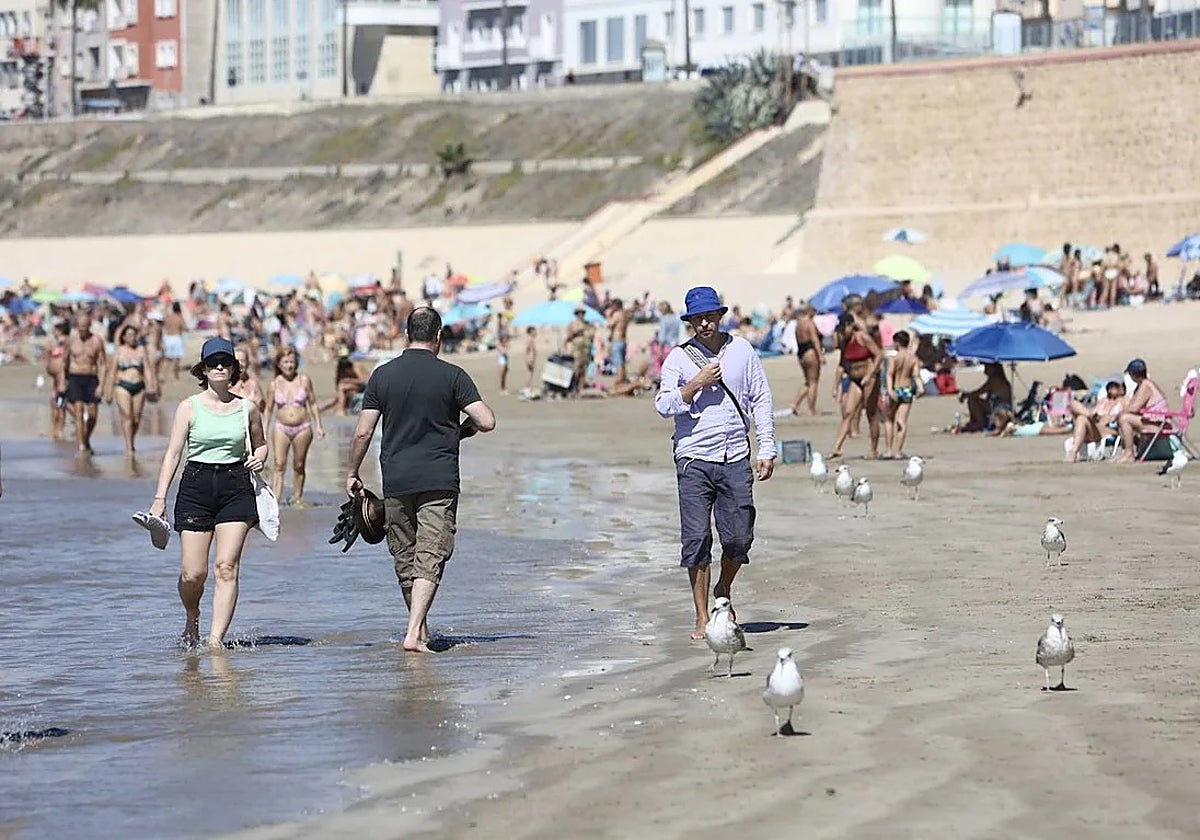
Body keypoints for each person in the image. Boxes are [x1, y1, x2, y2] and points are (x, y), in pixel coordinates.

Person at [346, 307, 496, 653]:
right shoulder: (453, 375)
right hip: (439, 478)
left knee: (405, 555)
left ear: (405, 335)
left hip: (396, 478)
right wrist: (464, 430)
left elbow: (363, 432)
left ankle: (420, 628)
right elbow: (486, 420)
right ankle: (414, 633)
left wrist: (352, 473)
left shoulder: (382, 376)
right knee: (431, 552)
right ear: (439, 337)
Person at [654, 286, 776, 642]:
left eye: (710, 316)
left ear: (721, 316)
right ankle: (702, 615)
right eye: (698, 318)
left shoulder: (742, 351)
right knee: (696, 539)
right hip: (693, 457)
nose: (705, 323)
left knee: (739, 537)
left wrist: (766, 448)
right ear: (690, 321)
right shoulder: (678, 358)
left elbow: (761, 398)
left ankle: (723, 587)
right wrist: (696, 384)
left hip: (736, 454)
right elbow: (663, 405)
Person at [148, 337, 268, 650]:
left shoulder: (247, 408)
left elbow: (261, 442)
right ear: (203, 368)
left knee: (226, 567)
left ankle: (215, 642)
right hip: (195, 487)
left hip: (235, 487)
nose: (218, 367)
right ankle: (192, 616)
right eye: (212, 362)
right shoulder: (188, 407)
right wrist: (160, 499)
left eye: (224, 362)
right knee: (193, 573)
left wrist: (261, 456)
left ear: (233, 369)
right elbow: (173, 454)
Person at [266, 346, 325, 506]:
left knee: (299, 464)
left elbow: (312, 404)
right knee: (279, 464)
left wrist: (319, 425)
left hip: (303, 427)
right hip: (281, 427)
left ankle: (297, 497)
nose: (289, 365)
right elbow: (268, 409)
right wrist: (264, 430)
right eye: (285, 362)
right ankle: (275, 499)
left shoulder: (304, 380)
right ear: (279, 364)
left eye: (292, 361)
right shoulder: (274, 384)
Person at [828, 302, 883, 459]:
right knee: (848, 412)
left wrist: (869, 375)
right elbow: (841, 365)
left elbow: (879, 355)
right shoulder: (844, 342)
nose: (842, 332)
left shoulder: (862, 337)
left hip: (870, 378)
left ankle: (873, 450)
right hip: (855, 379)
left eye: (844, 328)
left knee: (871, 414)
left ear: (851, 326)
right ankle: (836, 447)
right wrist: (835, 386)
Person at [105, 325, 159, 457]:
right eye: (129, 335)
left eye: (134, 335)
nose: (132, 337)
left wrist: (151, 385)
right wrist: (108, 391)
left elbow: (147, 369)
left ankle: (131, 439)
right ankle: (129, 447)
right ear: (123, 337)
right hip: (122, 386)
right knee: (127, 416)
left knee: (136, 418)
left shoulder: (141, 350)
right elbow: (112, 372)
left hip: (139, 386)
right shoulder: (119, 351)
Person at [65, 313, 107, 455]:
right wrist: (64, 381)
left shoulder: (96, 341)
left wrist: (101, 385)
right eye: (79, 328)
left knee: (93, 415)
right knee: (78, 414)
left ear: (89, 326)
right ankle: (81, 446)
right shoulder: (72, 340)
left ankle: (86, 437)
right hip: (75, 377)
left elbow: (102, 364)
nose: (81, 331)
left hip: (91, 378)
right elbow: (65, 361)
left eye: (84, 328)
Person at [1115, 358, 1170, 463]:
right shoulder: (1143, 385)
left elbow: (1135, 408)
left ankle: (1129, 453)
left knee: (1125, 419)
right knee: (1123, 417)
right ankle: (1127, 452)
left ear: (1133, 374)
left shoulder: (1146, 385)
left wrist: (1119, 413)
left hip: (1158, 424)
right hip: (1155, 421)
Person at [1064, 380, 1127, 461]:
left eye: (1115, 386)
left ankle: (1073, 453)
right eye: (1110, 386)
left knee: (1081, 419)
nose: (1112, 388)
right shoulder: (1103, 401)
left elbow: (1123, 418)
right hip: (1094, 426)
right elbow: (1095, 412)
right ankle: (1088, 414)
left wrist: (1111, 418)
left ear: (1122, 388)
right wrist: (1096, 417)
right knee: (1073, 403)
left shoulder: (1125, 401)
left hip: (1106, 431)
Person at [884, 330, 921, 458]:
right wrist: (920, 388)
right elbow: (916, 375)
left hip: (896, 387)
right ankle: (898, 452)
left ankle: (889, 450)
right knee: (902, 421)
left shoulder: (894, 358)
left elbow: (889, 374)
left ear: (896, 343)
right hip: (907, 389)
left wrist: (889, 390)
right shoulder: (913, 359)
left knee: (889, 419)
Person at [788, 303, 824, 416]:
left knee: (808, 382)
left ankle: (795, 404)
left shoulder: (798, 324)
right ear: (810, 311)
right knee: (813, 382)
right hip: (810, 352)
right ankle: (811, 409)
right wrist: (821, 355)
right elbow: (814, 340)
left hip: (801, 353)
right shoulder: (809, 323)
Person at [957, 362, 1013, 432]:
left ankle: (981, 423)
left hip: (1001, 410)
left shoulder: (995, 380)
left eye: (987, 367)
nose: (985, 370)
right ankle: (977, 421)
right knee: (975, 400)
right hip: (1001, 407)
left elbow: (978, 392)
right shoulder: (1000, 379)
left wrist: (965, 395)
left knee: (972, 400)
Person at [45, 321, 70, 441]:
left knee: (61, 402)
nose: (54, 332)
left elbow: (65, 359)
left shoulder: (64, 341)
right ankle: (55, 427)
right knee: (54, 401)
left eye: (56, 330)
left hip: (62, 375)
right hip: (56, 375)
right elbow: (48, 355)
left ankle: (60, 428)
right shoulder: (54, 342)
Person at [230, 345, 266, 414]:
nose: (240, 364)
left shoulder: (254, 384)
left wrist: (259, 403)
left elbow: (264, 409)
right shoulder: (225, 385)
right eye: (236, 360)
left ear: (247, 363)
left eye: (243, 360)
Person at [564, 308, 592, 397]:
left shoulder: (587, 324)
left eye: (582, 313)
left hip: (586, 348)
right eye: (579, 314)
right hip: (577, 348)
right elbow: (569, 336)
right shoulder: (572, 324)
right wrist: (577, 332)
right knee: (576, 368)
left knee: (584, 368)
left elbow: (591, 335)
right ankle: (573, 387)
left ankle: (581, 388)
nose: (581, 315)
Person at [162, 302, 187, 381]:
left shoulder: (168, 317)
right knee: (177, 359)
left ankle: (164, 376)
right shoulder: (179, 317)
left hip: (168, 338)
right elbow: (184, 327)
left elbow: (164, 326)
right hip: (176, 338)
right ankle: (176, 377)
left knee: (167, 359)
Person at [607, 298, 630, 382]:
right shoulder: (625, 314)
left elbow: (609, 324)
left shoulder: (617, 314)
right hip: (623, 339)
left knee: (618, 362)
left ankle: (619, 379)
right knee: (622, 361)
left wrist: (609, 316)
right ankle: (623, 378)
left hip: (617, 340)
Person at [523, 326, 538, 391]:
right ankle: (527, 387)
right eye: (534, 331)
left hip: (530, 358)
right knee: (529, 373)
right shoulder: (530, 339)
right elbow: (528, 349)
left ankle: (529, 387)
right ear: (531, 332)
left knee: (530, 373)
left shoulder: (530, 339)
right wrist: (529, 359)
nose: (535, 333)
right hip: (530, 358)